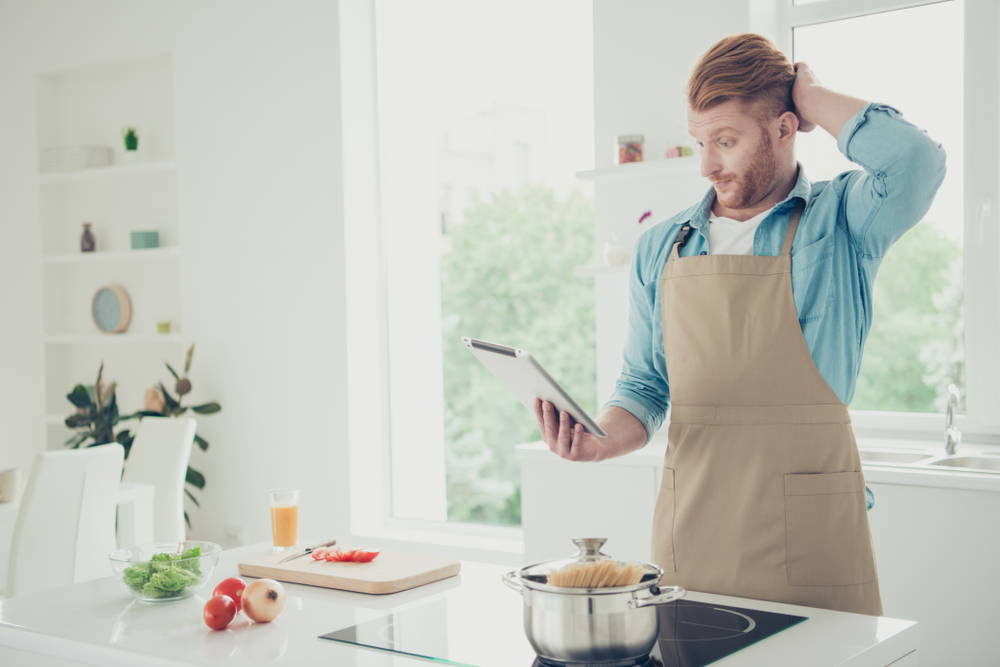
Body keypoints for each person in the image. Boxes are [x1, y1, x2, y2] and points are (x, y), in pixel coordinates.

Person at [534, 33, 946, 616]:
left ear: (783, 128)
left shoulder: (843, 221)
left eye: (726, 141)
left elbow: (917, 161)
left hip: (813, 536)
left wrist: (812, 94)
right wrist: (601, 441)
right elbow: (645, 386)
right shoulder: (663, 245)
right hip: (694, 530)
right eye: (700, 142)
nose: (707, 165)